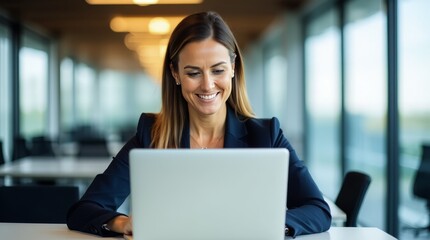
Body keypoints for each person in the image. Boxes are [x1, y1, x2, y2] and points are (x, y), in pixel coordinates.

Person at [66, 11, 332, 238]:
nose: (207, 85)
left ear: (233, 68)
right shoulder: (152, 134)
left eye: (217, 70)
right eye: (193, 72)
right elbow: (84, 210)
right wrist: (123, 223)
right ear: (175, 74)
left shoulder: (266, 135)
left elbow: (317, 210)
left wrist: (266, 228)